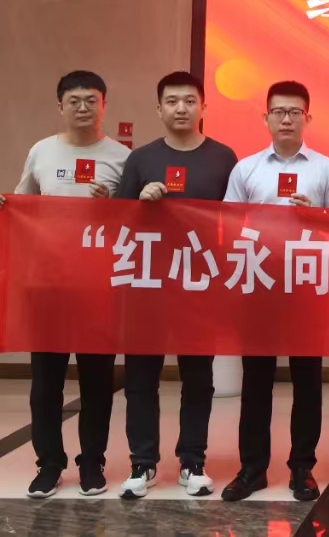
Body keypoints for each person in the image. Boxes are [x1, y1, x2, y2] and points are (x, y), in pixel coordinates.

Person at [0, 70, 129, 499]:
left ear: (104, 105)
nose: (83, 107)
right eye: (74, 101)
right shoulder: (41, 151)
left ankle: (92, 463)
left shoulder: (121, 157)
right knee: (46, 384)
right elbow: (22, 204)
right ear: (60, 106)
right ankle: (49, 464)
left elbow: (137, 220)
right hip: (48, 286)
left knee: (97, 382)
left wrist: (113, 204)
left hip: (98, 288)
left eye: (91, 100)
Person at [220, 81, 329, 503]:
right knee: (257, 382)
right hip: (259, 286)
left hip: (307, 288)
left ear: (308, 118)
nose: (287, 119)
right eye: (279, 112)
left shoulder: (326, 168)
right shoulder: (247, 169)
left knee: (308, 382)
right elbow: (229, 226)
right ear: (266, 118)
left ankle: (302, 468)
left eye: (295, 112)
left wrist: (318, 217)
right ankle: (252, 468)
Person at [115, 71, 238, 500]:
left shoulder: (224, 158)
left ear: (203, 107)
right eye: (172, 101)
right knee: (140, 378)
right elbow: (117, 222)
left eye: (189, 100)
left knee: (198, 378)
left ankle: (192, 462)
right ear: (159, 109)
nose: (181, 108)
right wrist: (140, 202)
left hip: (200, 285)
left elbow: (240, 221)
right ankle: (142, 463)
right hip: (147, 284)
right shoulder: (141, 159)